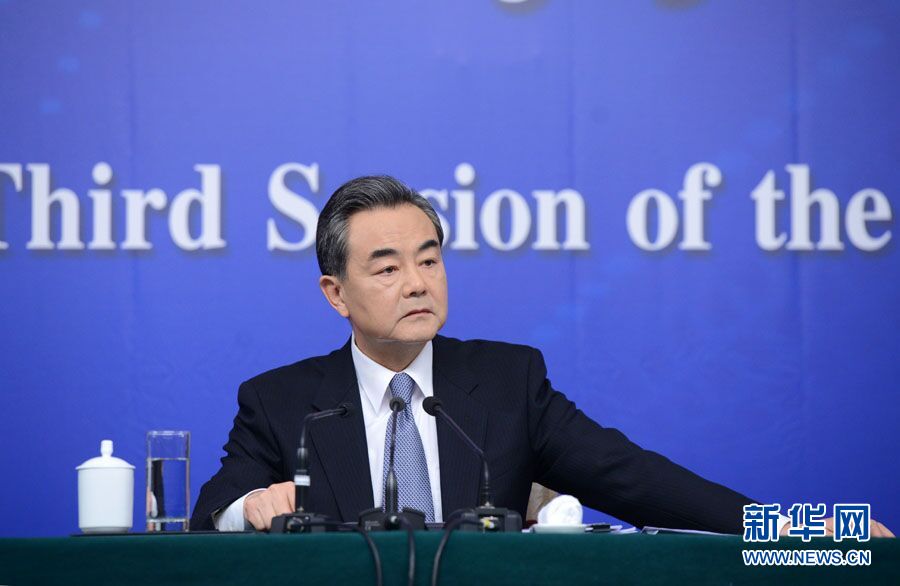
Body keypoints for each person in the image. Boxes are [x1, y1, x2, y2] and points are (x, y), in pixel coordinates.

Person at [191, 175, 893, 538]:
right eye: (387, 268)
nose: (418, 283)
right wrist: (253, 506)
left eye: (429, 260)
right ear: (336, 293)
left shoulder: (505, 382)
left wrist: (796, 531)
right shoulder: (284, 402)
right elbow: (212, 509)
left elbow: (636, 480)